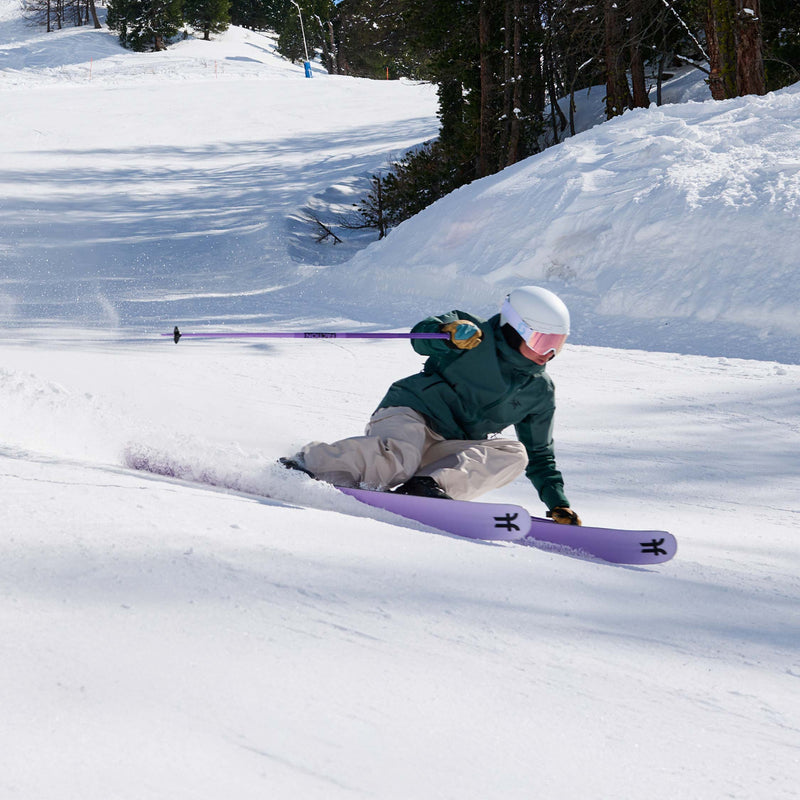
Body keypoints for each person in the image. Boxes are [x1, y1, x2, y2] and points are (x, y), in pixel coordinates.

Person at [282, 285, 581, 525]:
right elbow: (420, 337)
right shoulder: (474, 336)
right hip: (411, 413)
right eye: (544, 342)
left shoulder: (539, 391)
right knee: (399, 457)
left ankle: (427, 487)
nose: (550, 353)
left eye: (559, 343)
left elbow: (541, 454)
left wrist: (558, 503)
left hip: (449, 445)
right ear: (517, 328)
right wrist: (447, 334)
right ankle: (309, 463)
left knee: (515, 454)